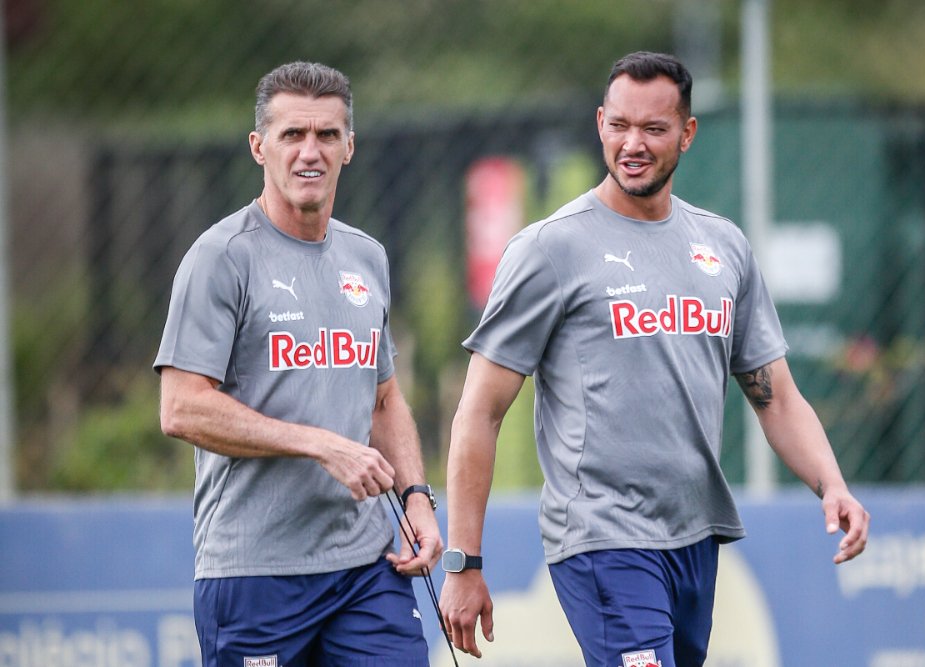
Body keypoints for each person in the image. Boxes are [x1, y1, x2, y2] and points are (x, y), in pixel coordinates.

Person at [438, 51, 870, 667]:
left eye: (653, 128)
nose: (632, 144)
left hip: (696, 538)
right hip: (603, 538)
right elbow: (479, 412)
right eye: (619, 125)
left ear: (687, 133)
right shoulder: (550, 249)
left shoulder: (722, 246)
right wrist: (464, 561)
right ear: (600, 123)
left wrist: (832, 486)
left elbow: (775, 394)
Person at [155, 61, 442, 667]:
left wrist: (417, 496)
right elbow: (181, 408)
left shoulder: (367, 256)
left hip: (367, 566)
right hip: (256, 571)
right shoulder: (221, 257)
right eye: (293, 134)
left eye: (327, 135)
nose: (310, 152)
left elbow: (383, 398)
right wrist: (319, 444)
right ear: (259, 147)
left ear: (349, 147)